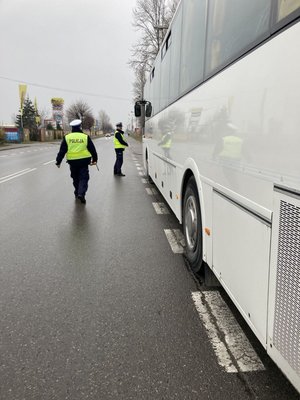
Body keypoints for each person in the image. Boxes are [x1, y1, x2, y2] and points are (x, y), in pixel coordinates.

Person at [55, 119, 98, 204]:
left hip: (72, 162)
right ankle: (81, 193)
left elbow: (62, 151)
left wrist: (58, 161)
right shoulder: (85, 137)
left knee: (75, 178)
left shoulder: (67, 137)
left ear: (72, 128)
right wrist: (95, 159)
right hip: (84, 162)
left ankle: (77, 192)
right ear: (80, 127)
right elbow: (92, 149)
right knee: (84, 178)